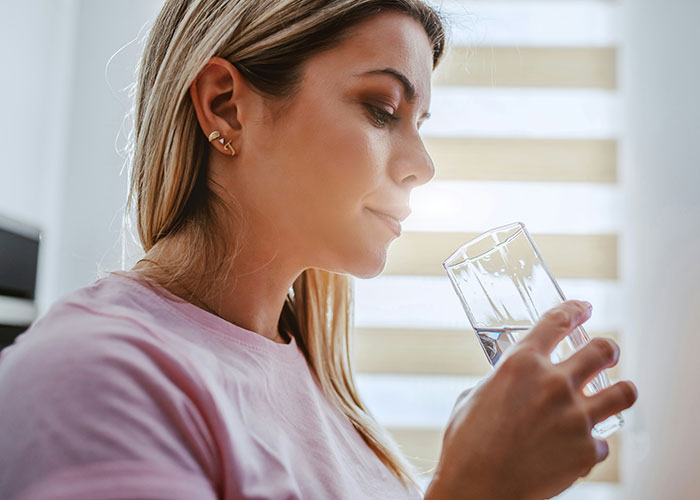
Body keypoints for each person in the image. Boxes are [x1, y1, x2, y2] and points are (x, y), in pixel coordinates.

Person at [0, 0, 637, 499]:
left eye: (422, 125)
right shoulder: (93, 378)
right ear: (226, 106)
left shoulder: (321, 390)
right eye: (382, 109)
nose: (423, 164)